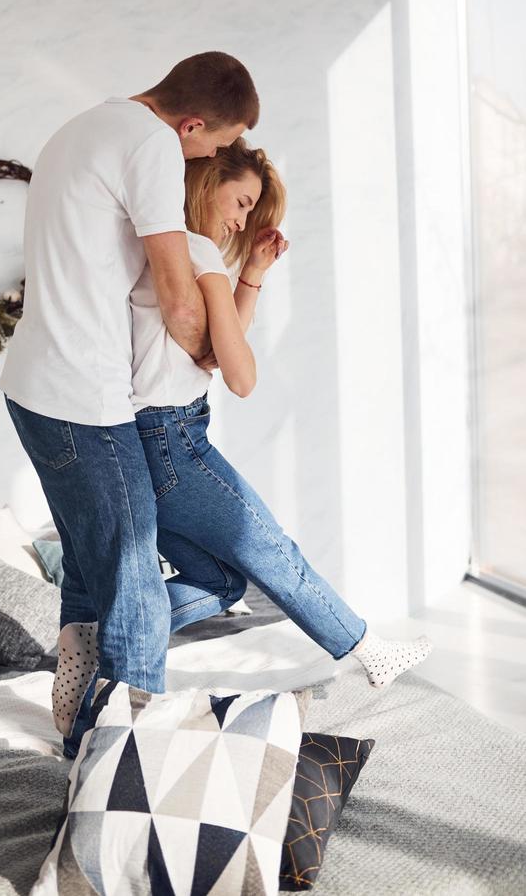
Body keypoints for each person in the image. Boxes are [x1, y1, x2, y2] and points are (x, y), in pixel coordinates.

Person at [55, 139, 433, 757]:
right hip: (174, 442)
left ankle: (109, 637)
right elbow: (240, 374)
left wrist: (251, 275)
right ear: (207, 181)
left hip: (148, 438)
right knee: (273, 553)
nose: (241, 219)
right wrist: (239, 290)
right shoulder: (195, 250)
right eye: (241, 201)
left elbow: (209, 348)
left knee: (223, 579)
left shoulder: (160, 250)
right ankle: (368, 649)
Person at [0, 53, 259, 757]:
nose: (207, 157)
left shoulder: (83, 126)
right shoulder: (150, 143)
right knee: (137, 586)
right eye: (210, 143)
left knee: (95, 563)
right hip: (83, 395)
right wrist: (214, 349)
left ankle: (85, 714)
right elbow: (177, 293)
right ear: (192, 121)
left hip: (32, 386)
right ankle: (125, 761)